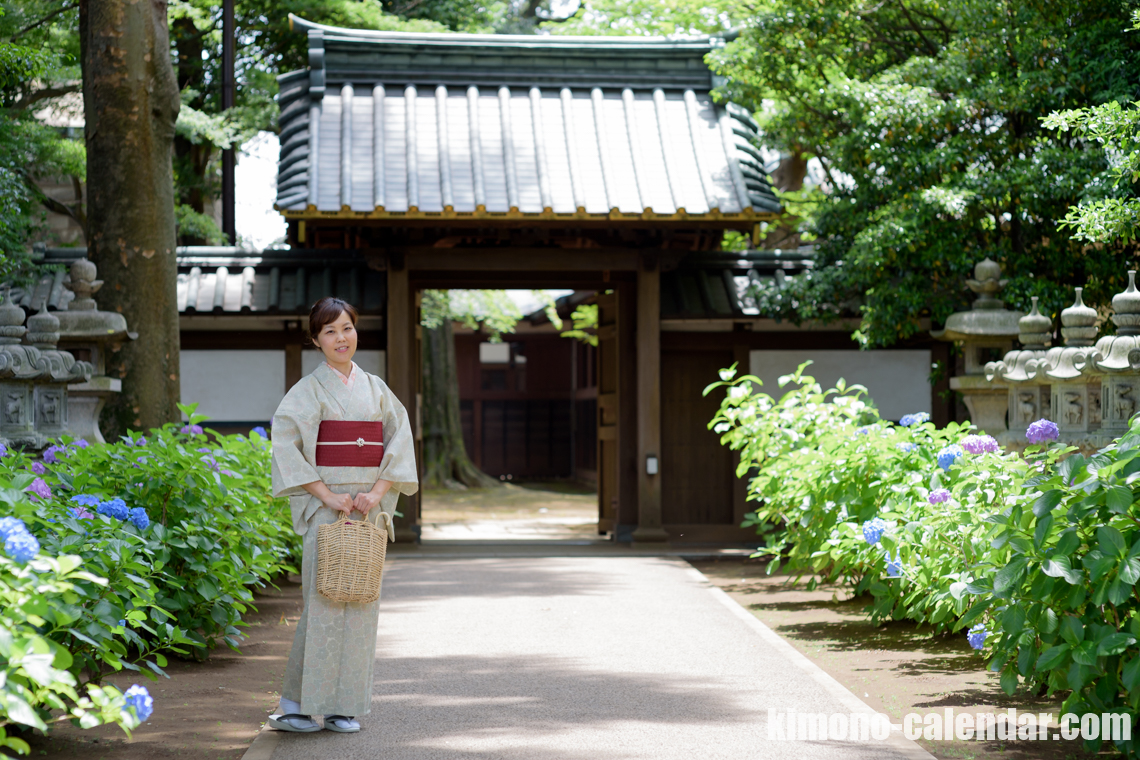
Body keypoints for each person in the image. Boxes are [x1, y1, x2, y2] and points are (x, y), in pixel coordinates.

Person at [267, 296, 418, 733]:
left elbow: (399, 440)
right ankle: (294, 704)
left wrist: (377, 492)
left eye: (347, 328)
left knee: (361, 604)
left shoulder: (376, 389)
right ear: (316, 339)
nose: (340, 338)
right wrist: (327, 495)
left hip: (367, 512)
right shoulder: (307, 391)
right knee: (323, 603)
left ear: (357, 331)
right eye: (330, 331)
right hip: (326, 511)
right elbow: (286, 447)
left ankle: (342, 707)